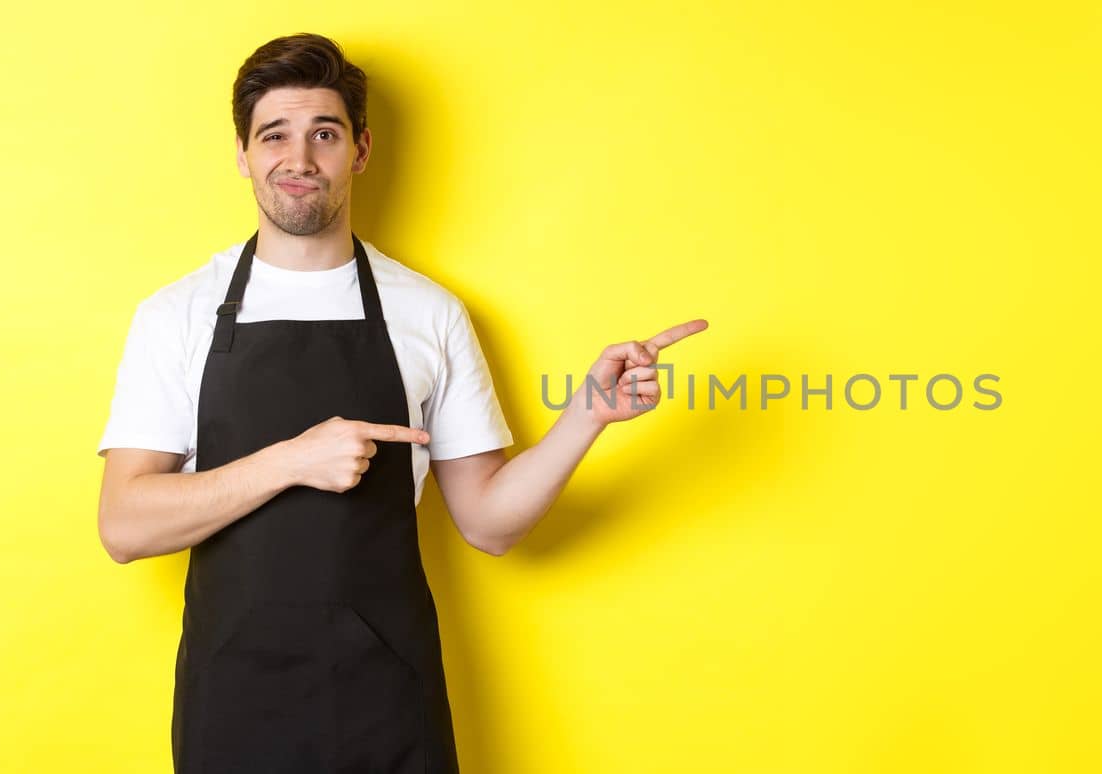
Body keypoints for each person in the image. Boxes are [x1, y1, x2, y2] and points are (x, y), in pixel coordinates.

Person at [95, 32, 706, 773]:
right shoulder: (177, 314)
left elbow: (489, 523)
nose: (299, 158)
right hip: (233, 699)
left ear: (360, 150)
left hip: (386, 696)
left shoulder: (429, 313)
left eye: (324, 133)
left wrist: (586, 416)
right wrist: (292, 460)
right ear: (243, 153)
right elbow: (124, 525)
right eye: (274, 135)